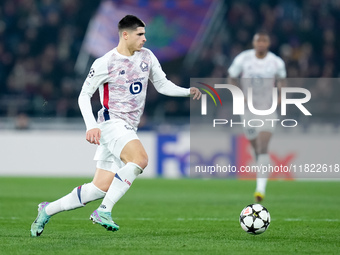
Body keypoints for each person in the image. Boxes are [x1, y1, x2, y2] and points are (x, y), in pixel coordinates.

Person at [30, 15, 201, 237]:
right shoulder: (105, 62)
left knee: (98, 188)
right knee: (140, 160)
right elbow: (84, 96)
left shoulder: (147, 57)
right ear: (125, 35)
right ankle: (104, 211)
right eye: (140, 34)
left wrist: (187, 91)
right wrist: (91, 126)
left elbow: (162, 84)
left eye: (144, 34)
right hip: (111, 124)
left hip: (128, 127)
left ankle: (47, 209)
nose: (145, 39)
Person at [227, 31, 286, 202]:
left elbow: (282, 80)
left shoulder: (276, 62)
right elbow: (231, 77)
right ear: (254, 43)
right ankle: (262, 168)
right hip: (247, 110)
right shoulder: (243, 59)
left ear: (268, 43)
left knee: (262, 144)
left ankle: (260, 189)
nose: (261, 43)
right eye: (258, 41)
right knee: (255, 147)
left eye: (264, 41)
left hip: (268, 108)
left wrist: (281, 96)